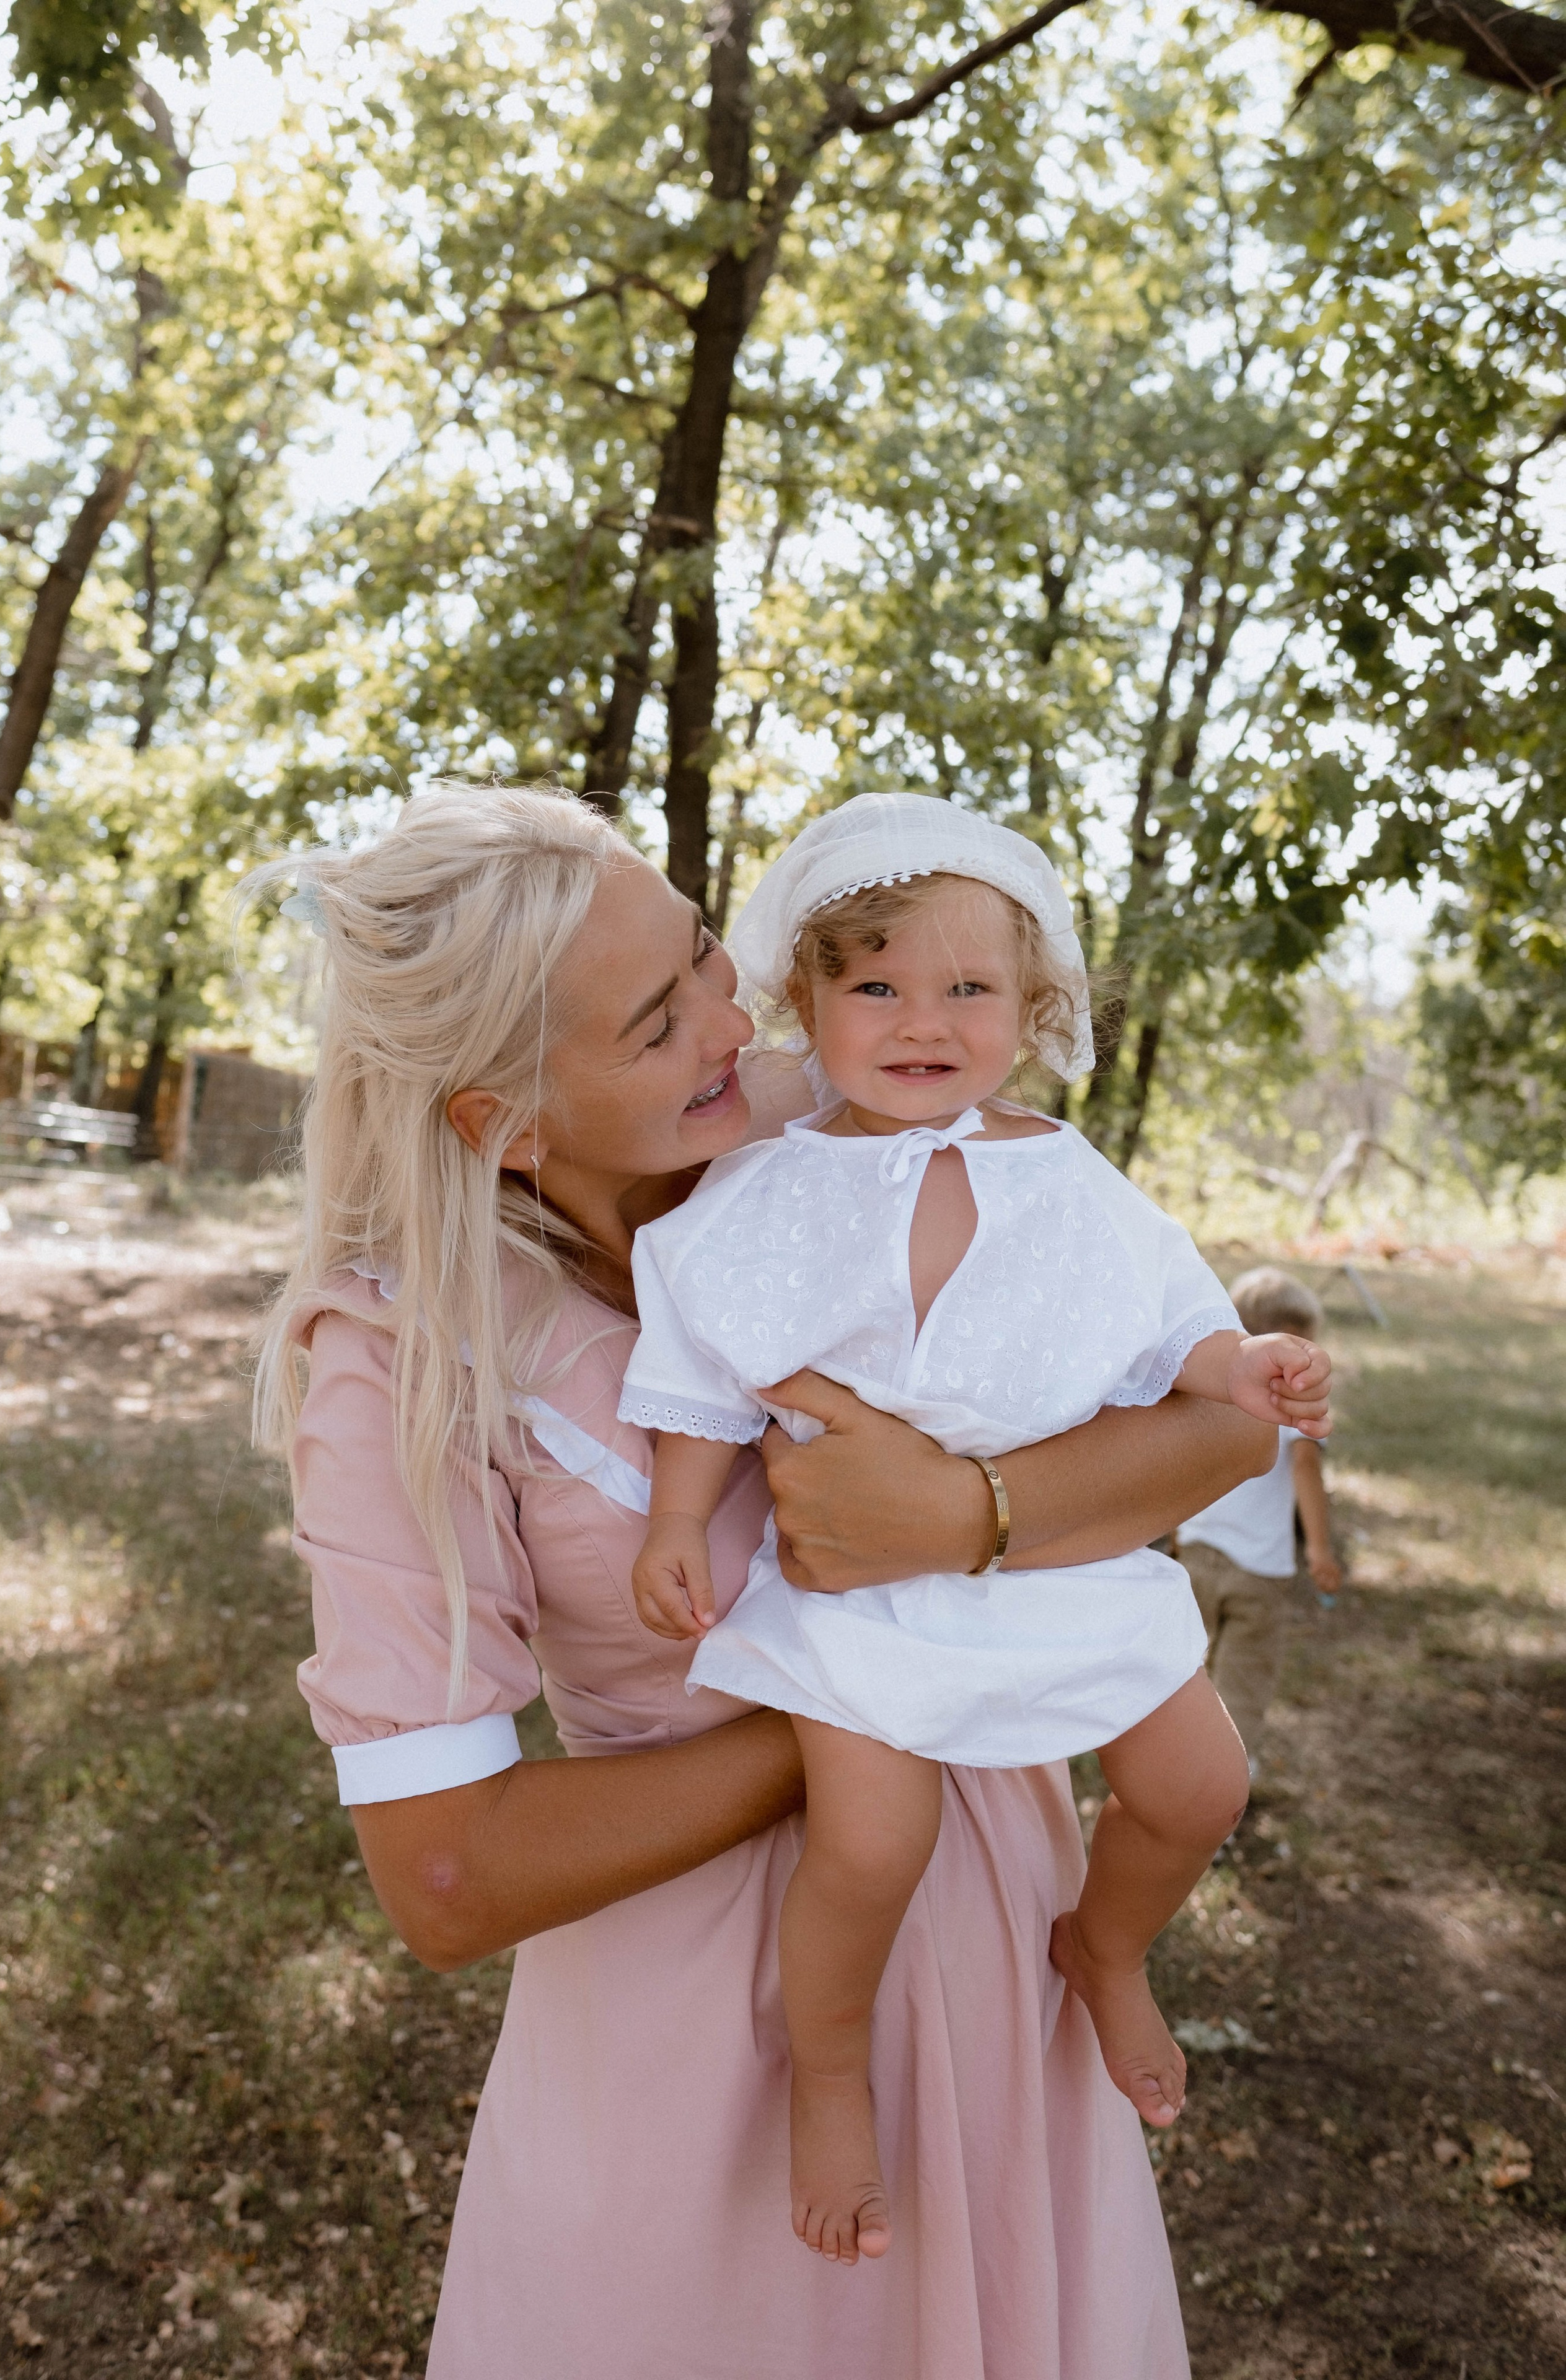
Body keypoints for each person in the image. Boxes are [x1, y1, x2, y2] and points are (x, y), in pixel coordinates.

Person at [253, 783, 1276, 2379]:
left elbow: (1209, 1416)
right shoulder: (401, 1361)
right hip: (703, 2029)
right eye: (660, 1018)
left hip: (1008, 1940)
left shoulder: (846, 1113)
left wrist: (967, 1516)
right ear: (505, 1117)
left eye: (707, 955)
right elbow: (440, 1875)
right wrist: (860, 1708)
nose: (736, 1016)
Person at [623, 794, 1331, 2264]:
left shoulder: (1060, 1175)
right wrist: (679, 1517)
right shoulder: (763, 1185)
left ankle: (1106, 1940)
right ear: (804, 1000)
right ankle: (828, 2072)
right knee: (876, 1838)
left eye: (967, 988)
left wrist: (1236, 1368)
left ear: (1033, 1006)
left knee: (1200, 1781)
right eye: (874, 982)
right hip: (859, 1588)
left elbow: (1167, 1313)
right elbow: (702, 1361)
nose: (919, 1018)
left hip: (1048, 1560)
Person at [1177, 1266, 1342, 1780]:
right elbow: (1305, 1467)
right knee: (1243, 1682)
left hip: (1196, 1554)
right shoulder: (1291, 1406)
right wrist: (1319, 1549)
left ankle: (1174, 1769)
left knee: (1185, 1671)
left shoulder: (1206, 1396)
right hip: (1260, 1570)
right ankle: (1224, 1785)